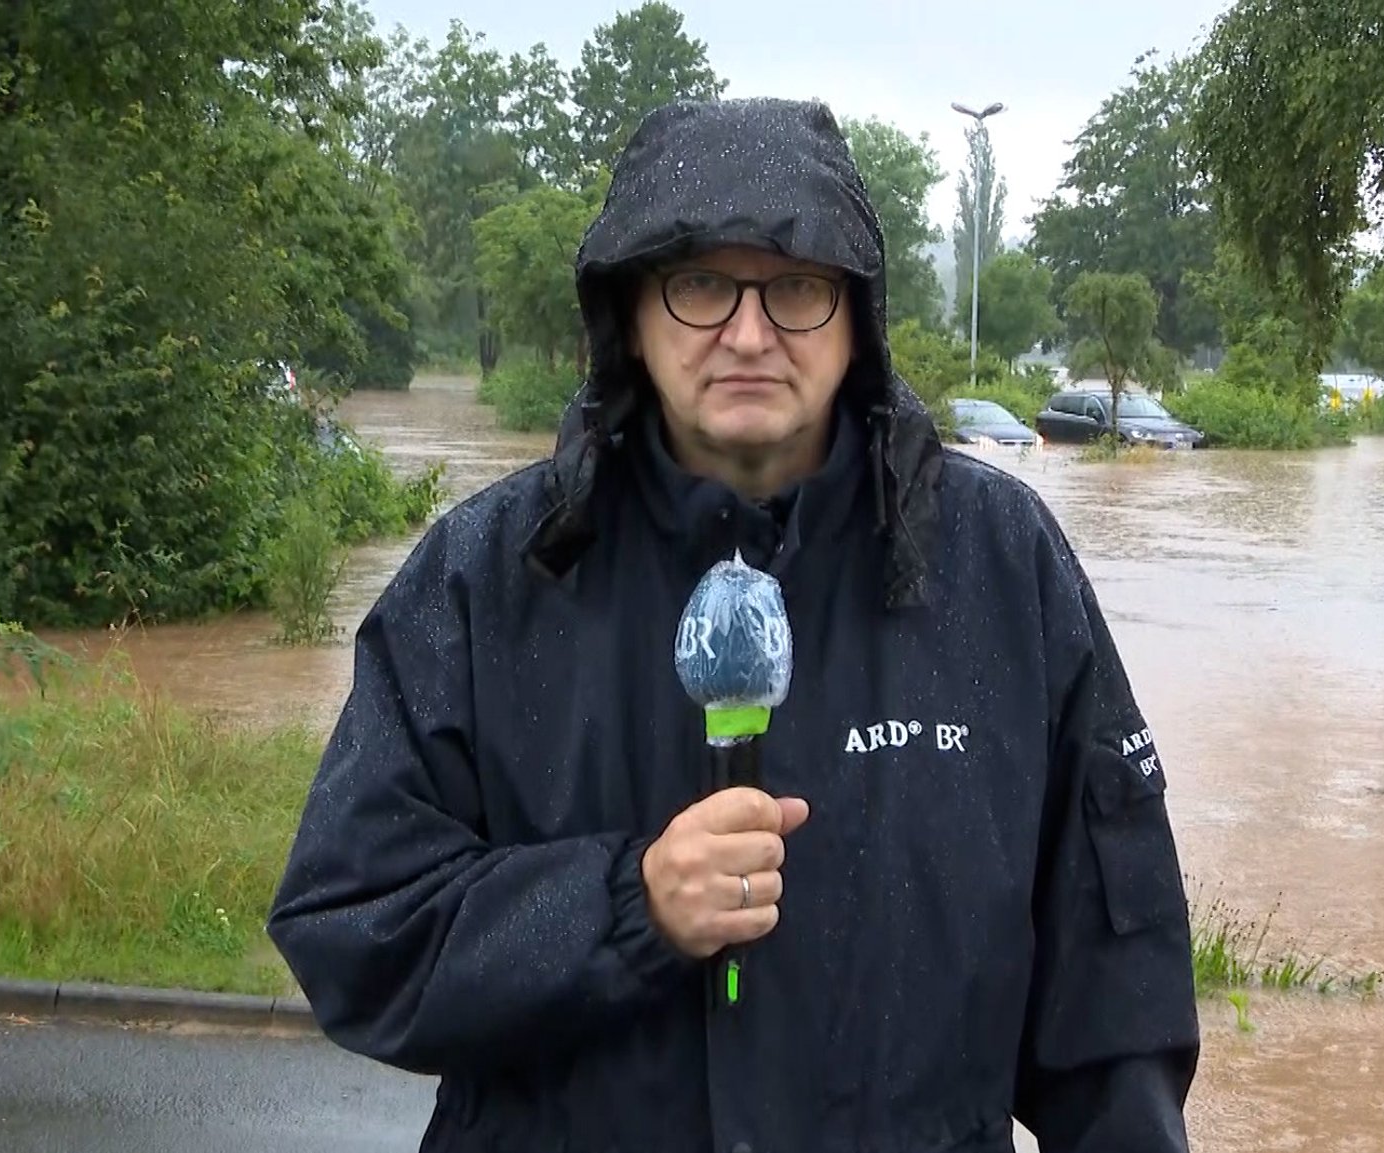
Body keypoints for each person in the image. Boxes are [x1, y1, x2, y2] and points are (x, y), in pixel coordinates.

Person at [267, 96, 1200, 1153]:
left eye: (795, 287)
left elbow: (1114, 1002)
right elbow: (350, 920)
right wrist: (624, 905)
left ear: (857, 318)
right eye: (700, 283)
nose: (748, 334)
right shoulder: (489, 573)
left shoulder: (999, 566)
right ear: (628, 310)